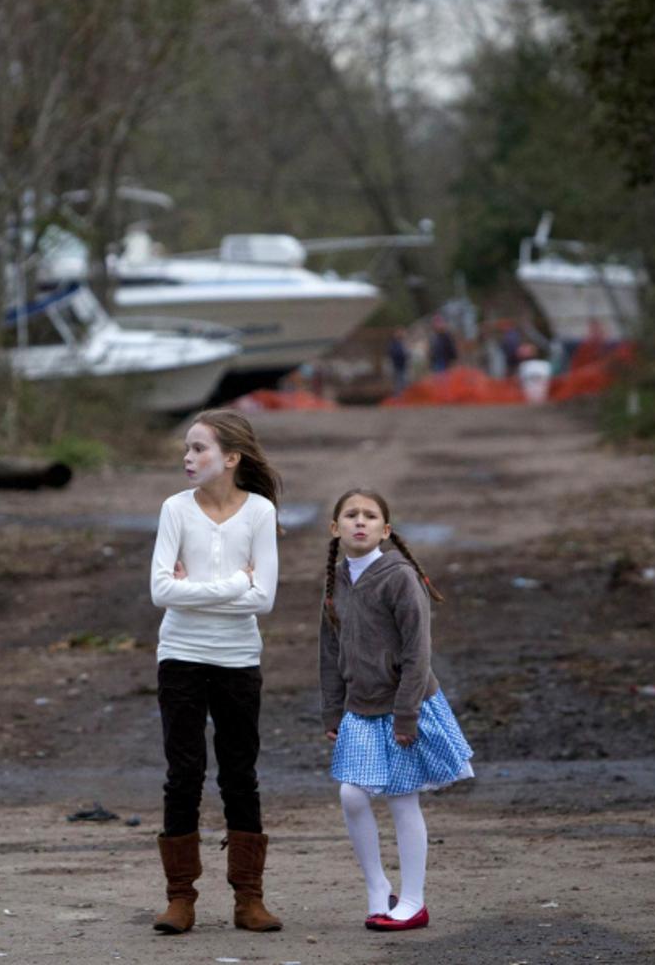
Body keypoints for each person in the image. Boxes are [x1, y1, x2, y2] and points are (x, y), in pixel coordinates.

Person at [148, 409, 283, 935]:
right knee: (183, 775)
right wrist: (233, 585)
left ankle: (250, 899)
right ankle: (179, 899)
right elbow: (161, 591)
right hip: (179, 655)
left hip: (238, 660)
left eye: (199, 448)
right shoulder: (174, 509)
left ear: (231, 458)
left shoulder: (260, 512)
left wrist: (192, 592)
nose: (188, 457)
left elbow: (264, 599)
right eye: (187, 448)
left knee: (239, 775)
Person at [318, 488, 473, 932]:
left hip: (405, 704)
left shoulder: (399, 577)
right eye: (351, 515)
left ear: (385, 530)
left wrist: (407, 715)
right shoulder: (335, 581)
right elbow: (329, 650)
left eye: (370, 516)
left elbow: (417, 651)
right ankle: (377, 888)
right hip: (360, 707)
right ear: (335, 528)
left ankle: (413, 901)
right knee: (351, 795)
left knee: (403, 800)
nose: (360, 521)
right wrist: (332, 710)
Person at [386, 328, 409, 394]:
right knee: (398, 383)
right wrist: (403, 354)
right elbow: (394, 353)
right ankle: (399, 396)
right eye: (398, 332)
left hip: (403, 365)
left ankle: (403, 396)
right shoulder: (393, 343)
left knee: (403, 382)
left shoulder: (402, 342)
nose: (400, 334)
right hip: (397, 365)